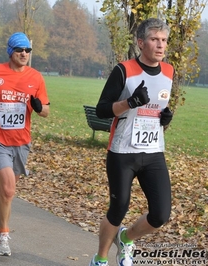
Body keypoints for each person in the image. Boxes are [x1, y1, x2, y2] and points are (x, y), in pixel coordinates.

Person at [89, 18, 174, 266]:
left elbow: (160, 108)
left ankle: (126, 238)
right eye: (154, 39)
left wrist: (166, 117)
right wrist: (130, 103)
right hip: (122, 152)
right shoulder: (123, 70)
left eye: (164, 40)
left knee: (160, 214)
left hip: (153, 152)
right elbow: (102, 110)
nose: (160, 45)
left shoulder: (169, 71)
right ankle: (101, 258)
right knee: (118, 209)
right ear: (140, 43)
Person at [0, 32, 50, 256]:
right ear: (10, 52)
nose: (24, 54)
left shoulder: (36, 78)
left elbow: (46, 112)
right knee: (9, 188)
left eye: (27, 51)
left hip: (21, 142)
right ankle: (3, 236)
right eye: (19, 50)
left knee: (6, 192)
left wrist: (39, 106)